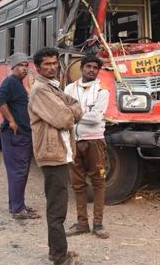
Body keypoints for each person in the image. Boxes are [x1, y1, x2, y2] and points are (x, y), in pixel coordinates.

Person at [28, 47, 82, 265]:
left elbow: (76, 107)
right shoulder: (41, 89)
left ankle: (56, 251)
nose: (52, 67)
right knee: (57, 208)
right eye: (47, 64)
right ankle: (60, 257)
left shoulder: (53, 87)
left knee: (57, 204)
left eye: (54, 63)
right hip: (51, 154)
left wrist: (72, 110)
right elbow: (65, 119)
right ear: (38, 67)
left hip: (59, 152)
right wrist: (72, 111)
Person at [64, 55, 110, 239]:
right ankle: (82, 223)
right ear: (81, 68)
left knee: (98, 182)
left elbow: (96, 118)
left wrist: (74, 113)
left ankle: (98, 224)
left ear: (98, 71)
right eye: (88, 66)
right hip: (74, 140)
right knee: (78, 184)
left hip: (95, 141)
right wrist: (82, 113)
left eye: (95, 67)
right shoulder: (69, 88)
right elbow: (63, 111)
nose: (91, 70)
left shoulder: (102, 90)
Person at [0, 52, 39, 220]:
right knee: (18, 171)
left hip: (23, 135)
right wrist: (11, 120)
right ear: (13, 67)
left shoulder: (18, 83)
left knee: (20, 171)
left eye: (27, 66)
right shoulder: (10, 82)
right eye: (21, 66)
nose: (24, 69)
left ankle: (18, 205)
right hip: (15, 135)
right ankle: (18, 210)